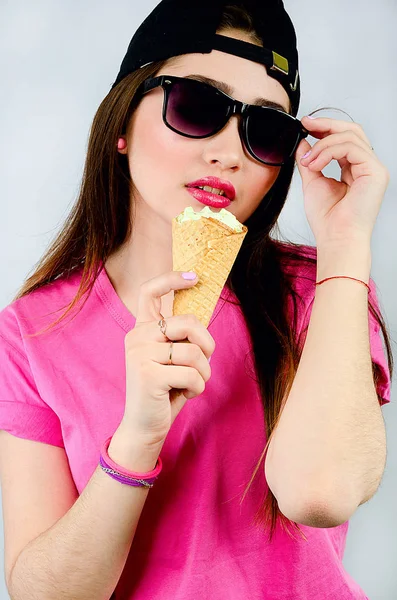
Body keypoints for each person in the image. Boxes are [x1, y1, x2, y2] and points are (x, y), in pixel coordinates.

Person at [0, 1, 392, 599]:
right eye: (197, 107)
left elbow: (321, 493)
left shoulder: (319, 290)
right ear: (123, 125)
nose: (230, 152)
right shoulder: (32, 331)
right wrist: (137, 438)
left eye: (266, 131)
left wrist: (346, 246)